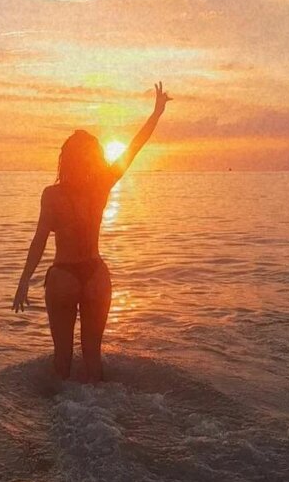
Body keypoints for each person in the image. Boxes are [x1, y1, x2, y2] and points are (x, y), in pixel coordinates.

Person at [12, 81, 171, 382]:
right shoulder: (101, 185)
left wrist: (24, 282)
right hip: (96, 276)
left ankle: (64, 410)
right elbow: (134, 148)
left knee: (62, 360)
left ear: (65, 159)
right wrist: (156, 113)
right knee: (93, 359)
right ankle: (99, 405)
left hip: (63, 277)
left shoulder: (52, 195)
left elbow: (39, 241)